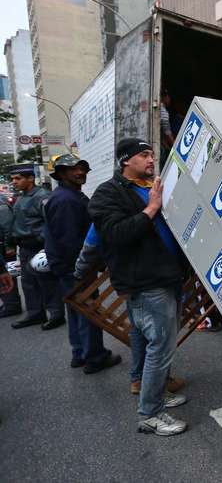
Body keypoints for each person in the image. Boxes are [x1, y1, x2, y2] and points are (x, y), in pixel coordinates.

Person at [89, 139, 188, 436]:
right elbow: (115, 234)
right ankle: (150, 414)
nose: (150, 159)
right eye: (144, 155)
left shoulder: (152, 186)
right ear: (125, 161)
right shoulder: (108, 193)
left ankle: (159, 393)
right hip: (144, 282)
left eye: (151, 154)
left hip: (169, 277)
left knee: (155, 343)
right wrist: (152, 208)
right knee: (160, 346)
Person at [73, 224, 185, 394]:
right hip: (151, 278)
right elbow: (92, 241)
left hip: (136, 278)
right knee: (159, 338)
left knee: (141, 331)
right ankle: (155, 390)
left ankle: (141, 380)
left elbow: (91, 244)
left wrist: (80, 272)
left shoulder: (116, 204)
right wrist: (80, 271)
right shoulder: (127, 202)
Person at [44, 154, 122, 373]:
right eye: (72, 170)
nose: (79, 173)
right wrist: (86, 266)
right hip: (74, 266)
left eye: (82, 169)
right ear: (60, 174)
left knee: (77, 309)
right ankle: (94, 357)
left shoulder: (67, 195)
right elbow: (70, 241)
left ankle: (80, 352)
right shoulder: (66, 200)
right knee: (88, 310)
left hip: (67, 266)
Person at [8, 164, 64, 330]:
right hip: (24, 246)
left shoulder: (42, 196)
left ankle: (56, 314)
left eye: (18, 178)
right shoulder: (21, 197)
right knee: (28, 283)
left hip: (39, 246)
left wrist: (42, 241)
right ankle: (35, 313)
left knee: (47, 282)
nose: (14, 182)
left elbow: (52, 223)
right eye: (13, 179)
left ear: (31, 178)